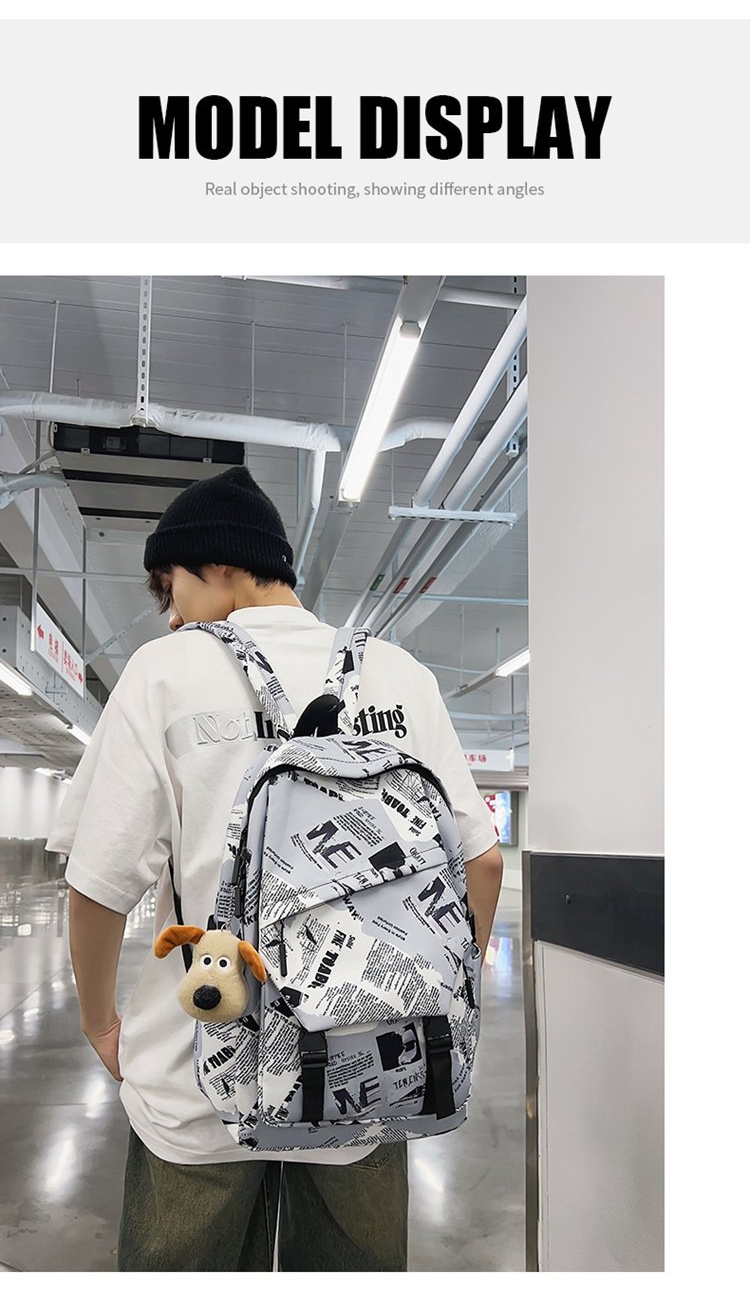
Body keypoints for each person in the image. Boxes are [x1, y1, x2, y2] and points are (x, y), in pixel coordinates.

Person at [46, 465, 504, 1272]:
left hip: (196, 1087)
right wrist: (442, 1002)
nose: (171, 612)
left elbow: (98, 886)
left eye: (171, 585)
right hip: (370, 1072)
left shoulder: (165, 672)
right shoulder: (401, 675)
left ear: (220, 564)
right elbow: (484, 862)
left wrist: (98, 1024)